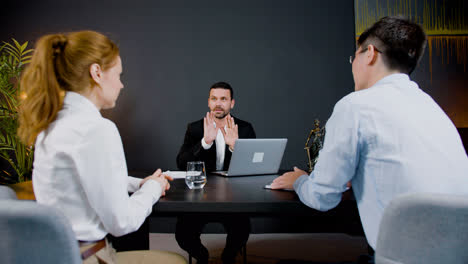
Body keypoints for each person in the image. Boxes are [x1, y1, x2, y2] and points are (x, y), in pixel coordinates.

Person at [271, 16, 468, 259]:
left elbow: (322, 198)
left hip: (402, 255)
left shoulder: (355, 106)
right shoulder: (432, 107)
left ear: (370, 54)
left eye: (354, 57)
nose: (352, 65)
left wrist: (299, 180)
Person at [18, 31, 186, 264]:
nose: (121, 84)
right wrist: (153, 190)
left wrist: (139, 183)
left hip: (54, 255)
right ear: (97, 72)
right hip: (89, 258)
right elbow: (122, 222)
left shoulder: (50, 125)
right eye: (118, 75)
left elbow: (85, 178)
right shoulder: (97, 129)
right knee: (175, 260)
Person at [175, 81, 255, 264]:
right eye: (214, 99)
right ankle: (203, 257)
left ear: (232, 103)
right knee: (183, 233)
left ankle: (228, 257)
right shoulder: (195, 128)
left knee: (242, 229)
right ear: (209, 102)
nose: (218, 103)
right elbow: (181, 163)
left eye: (223, 99)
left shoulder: (244, 128)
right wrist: (205, 142)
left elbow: (253, 168)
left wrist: (236, 146)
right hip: (199, 195)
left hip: (234, 196)